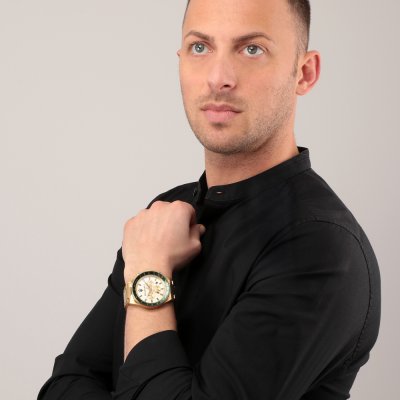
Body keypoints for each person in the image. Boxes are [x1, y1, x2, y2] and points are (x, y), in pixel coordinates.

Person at [37, 0, 381, 399]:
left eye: (251, 49)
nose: (218, 78)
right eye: (200, 47)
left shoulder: (320, 247)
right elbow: (63, 387)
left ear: (304, 73)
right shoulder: (166, 214)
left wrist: (149, 274)